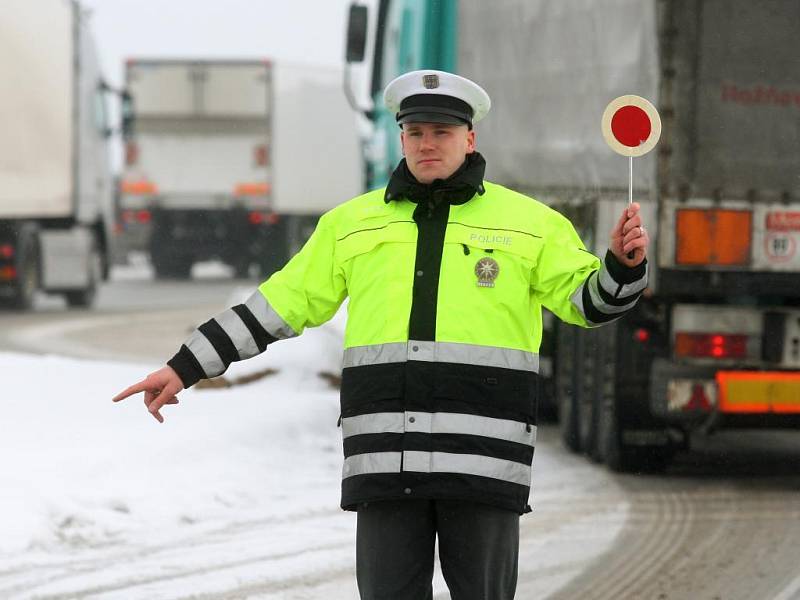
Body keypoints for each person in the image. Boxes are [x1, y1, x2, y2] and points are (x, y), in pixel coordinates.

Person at [113, 69, 649, 599]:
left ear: (470, 138)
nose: (427, 144)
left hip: (483, 462)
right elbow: (277, 307)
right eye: (415, 132)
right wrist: (185, 367)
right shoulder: (351, 224)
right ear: (401, 137)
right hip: (385, 462)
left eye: (441, 132)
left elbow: (589, 303)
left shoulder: (532, 224)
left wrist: (622, 268)